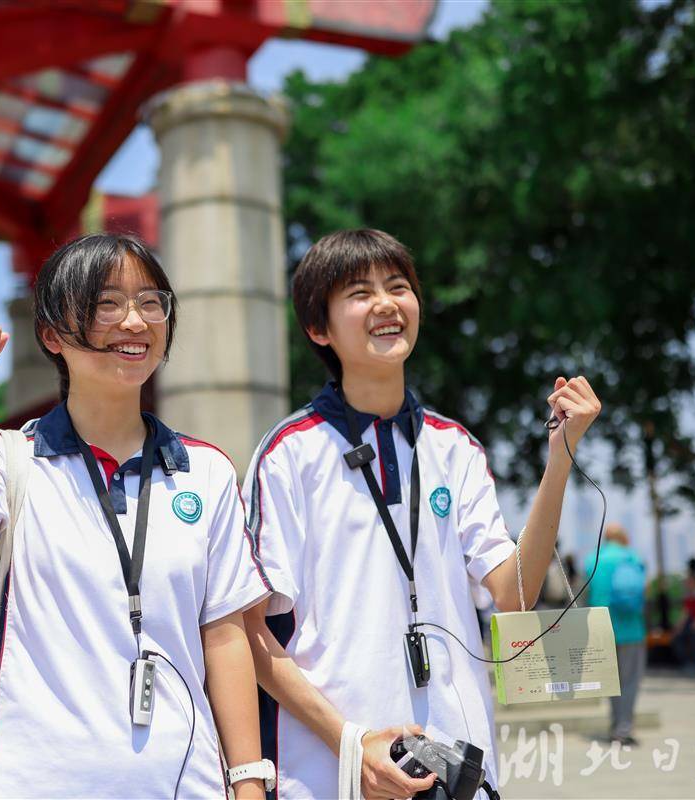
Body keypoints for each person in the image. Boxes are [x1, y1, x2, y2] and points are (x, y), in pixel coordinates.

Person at [0, 233, 272, 798]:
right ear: (52, 335)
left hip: (185, 783)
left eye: (151, 302)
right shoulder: (7, 462)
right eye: (107, 304)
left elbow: (223, 635)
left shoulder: (207, 471)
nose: (135, 321)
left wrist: (248, 779)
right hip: (33, 784)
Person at [242, 229, 601, 799]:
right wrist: (352, 743)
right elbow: (251, 632)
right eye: (359, 292)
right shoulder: (289, 453)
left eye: (398, 286)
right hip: (332, 773)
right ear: (318, 328)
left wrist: (560, 458)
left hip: (458, 767)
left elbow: (515, 594)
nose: (386, 304)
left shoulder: (455, 446)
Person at [584, 523, 646, 746]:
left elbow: (585, 595)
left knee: (612, 682)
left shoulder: (593, 560)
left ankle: (615, 726)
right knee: (630, 681)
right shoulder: (633, 558)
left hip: (602, 628)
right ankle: (624, 728)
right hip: (631, 629)